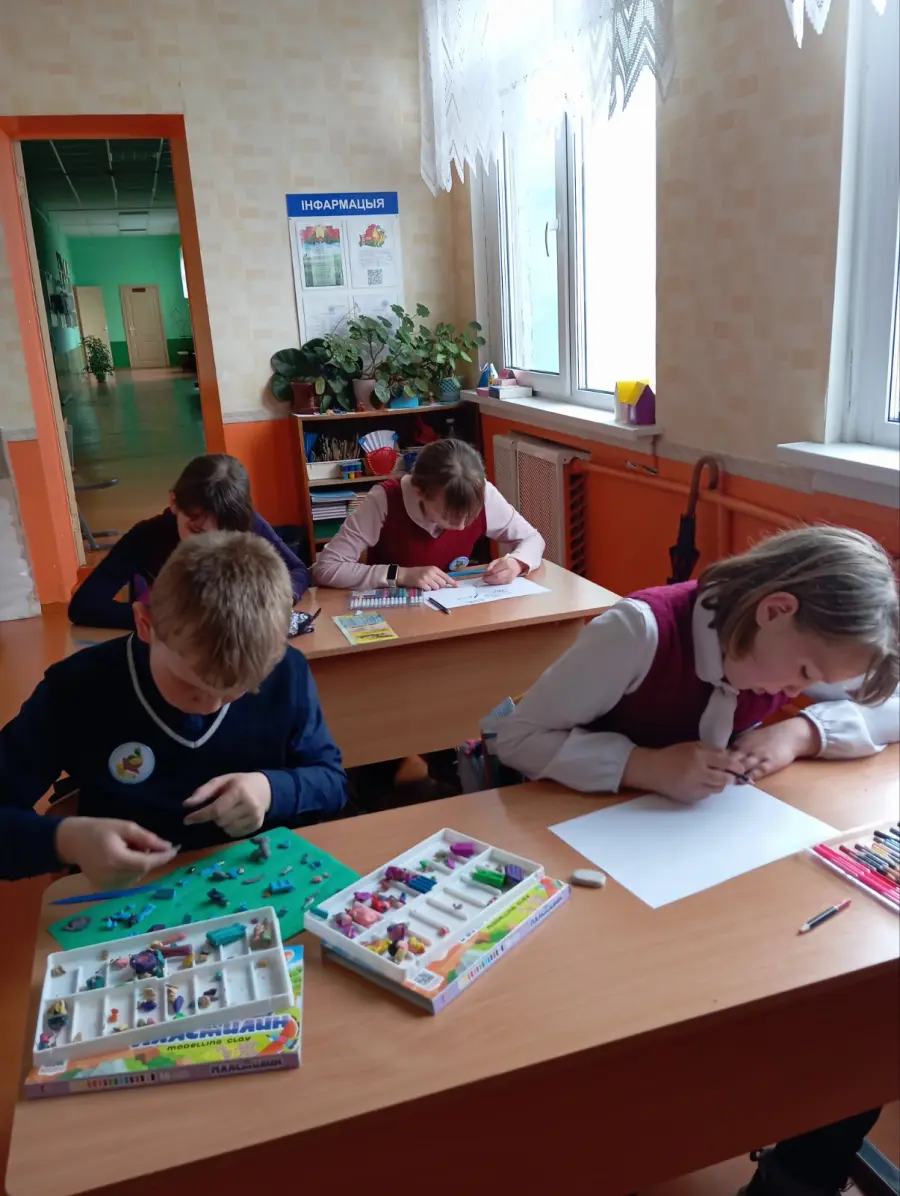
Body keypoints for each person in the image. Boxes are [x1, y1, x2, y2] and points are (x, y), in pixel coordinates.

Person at [0, 532, 347, 885]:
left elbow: (332, 781)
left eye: (236, 691)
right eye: (191, 685)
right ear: (145, 625)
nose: (210, 706)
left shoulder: (286, 670)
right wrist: (65, 841)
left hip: (259, 878)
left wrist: (271, 790)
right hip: (132, 888)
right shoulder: (76, 688)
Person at [495, 526, 899, 800]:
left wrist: (801, 733)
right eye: (806, 673)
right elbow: (517, 740)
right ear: (775, 611)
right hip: (582, 822)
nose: (799, 691)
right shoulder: (638, 632)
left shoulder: (810, 646)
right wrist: (643, 766)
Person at [68, 453, 308, 629]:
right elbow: (84, 606)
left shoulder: (245, 523)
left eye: (224, 534)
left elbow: (297, 570)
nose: (211, 544)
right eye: (196, 531)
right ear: (174, 503)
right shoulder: (147, 537)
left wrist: (283, 598)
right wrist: (171, 619)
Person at [311, 438, 544, 590]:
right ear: (419, 492)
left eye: (470, 516)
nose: (462, 527)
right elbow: (326, 568)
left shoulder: (483, 494)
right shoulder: (384, 500)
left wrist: (517, 563)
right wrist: (400, 575)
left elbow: (533, 539)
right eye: (449, 517)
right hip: (396, 617)